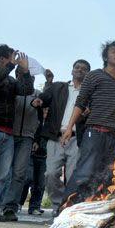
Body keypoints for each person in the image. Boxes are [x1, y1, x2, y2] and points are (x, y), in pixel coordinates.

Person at [60, 40, 115, 208]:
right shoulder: (95, 75)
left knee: (107, 176)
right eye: (113, 51)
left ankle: (89, 209)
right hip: (95, 132)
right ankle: (64, 209)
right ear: (106, 57)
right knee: (84, 173)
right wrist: (69, 127)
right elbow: (81, 102)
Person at [31, 59, 90, 216]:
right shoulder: (58, 87)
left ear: (88, 74)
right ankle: (58, 205)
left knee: (72, 177)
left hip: (77, 139)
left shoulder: (90, 93)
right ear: (72, 71)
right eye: (77, 67)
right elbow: (45, 98)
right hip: (55, 137)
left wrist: (88, 113)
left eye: (84, 69)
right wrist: (39, 100)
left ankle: (67, 209)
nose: (80, 70)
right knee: (50, 174)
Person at [0, 45, 33, 220]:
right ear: (2, 59)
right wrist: (10, 66)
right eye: (11, 57)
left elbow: (26, 91)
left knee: (3, 176)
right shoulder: (1, 74)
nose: (14, 60)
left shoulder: (10, 81)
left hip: (8, 133)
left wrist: (25, 72)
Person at [0, 69, 40, 221]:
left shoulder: (36, 93)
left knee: (20, 173)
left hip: (27, 137)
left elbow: (40, 119)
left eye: (30, 77)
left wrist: (36, 138)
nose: (28, 79)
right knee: (4, 173)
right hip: (9, 133)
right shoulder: (11, 90)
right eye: (23, 76)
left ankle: (10, 207)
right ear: (17, 77)